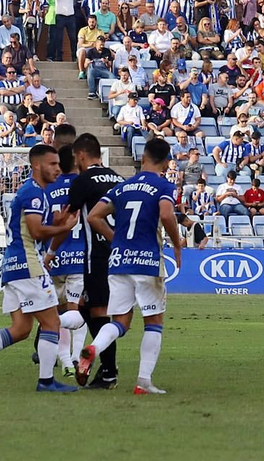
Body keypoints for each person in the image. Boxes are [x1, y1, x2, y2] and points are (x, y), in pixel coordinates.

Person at [0, 144, 81, 392]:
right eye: (52, 164)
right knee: (51, 323)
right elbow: (34, 231)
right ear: (36, 165)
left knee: (21, 329)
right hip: (28, 265)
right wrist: (63, 228)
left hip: (12, 265)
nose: (57, 168)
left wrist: (53, 224)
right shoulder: (33, 193)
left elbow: (33, 231)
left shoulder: (35, 193)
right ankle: (46, 381)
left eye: (58, 164)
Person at [77, 138, 181, 396]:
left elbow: (93, 217)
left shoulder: (123, 186)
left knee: (121, 321)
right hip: (146, 262)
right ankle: (143, 382)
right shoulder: (163, 185)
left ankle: (94, 349)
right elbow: (167, 215)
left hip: (118, 262)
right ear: (167, 163)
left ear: (143, 157)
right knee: (153, 321)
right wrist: (177, 245)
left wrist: (116, 239)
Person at [65, 133, 124, 388]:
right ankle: (101, 363)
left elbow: (69, 218)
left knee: (98, 311)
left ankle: (109, 372)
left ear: (80, 155)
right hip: (120, 256)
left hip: (97, 255)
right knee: (87, 307)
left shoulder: (83, 180)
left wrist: (50, 246)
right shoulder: (118, 177)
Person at [42, 140, 89, 377]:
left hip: (54, 257)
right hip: (80, 257)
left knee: (58, 313)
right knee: (77, 312)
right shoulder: (84, 186)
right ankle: (75, 357)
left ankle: (65, 362)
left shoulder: (48, 187)